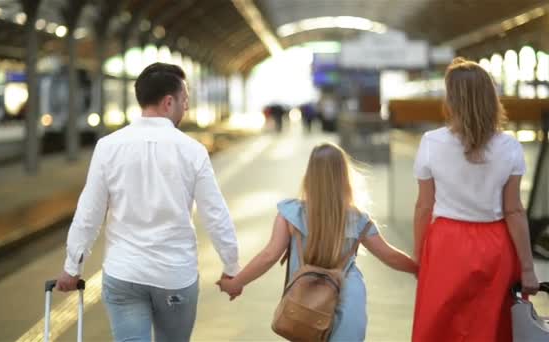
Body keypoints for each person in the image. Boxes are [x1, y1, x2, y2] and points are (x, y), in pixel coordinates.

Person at [55, 63, 240, 342]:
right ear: (169, 102)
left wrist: (72, 268)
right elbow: (215, 215)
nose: (186, 107)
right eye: (184, 100)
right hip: (175, 276)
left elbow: (89, 213)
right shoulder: (193, 152)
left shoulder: (108, 147)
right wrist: (231, 268)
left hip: (124, 273)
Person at [218, 142, 418, 341]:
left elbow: (268, 256)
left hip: (305, 302)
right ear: (345, 177)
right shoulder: (358, 219)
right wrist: (419, 269)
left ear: (310, 176)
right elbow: (390, 256)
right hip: (348, 297)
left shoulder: (290, 213)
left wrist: (237, 282)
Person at [411, 57, 540, 342]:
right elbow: (514, 211)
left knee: (441, 325)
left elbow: (424, 207)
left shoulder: (431, 142)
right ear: (490, 97)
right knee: (490, 325)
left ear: (452, 100)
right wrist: (528, 268)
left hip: (446, 244)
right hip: (495, 244)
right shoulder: (509, 147)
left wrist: (419, 255)